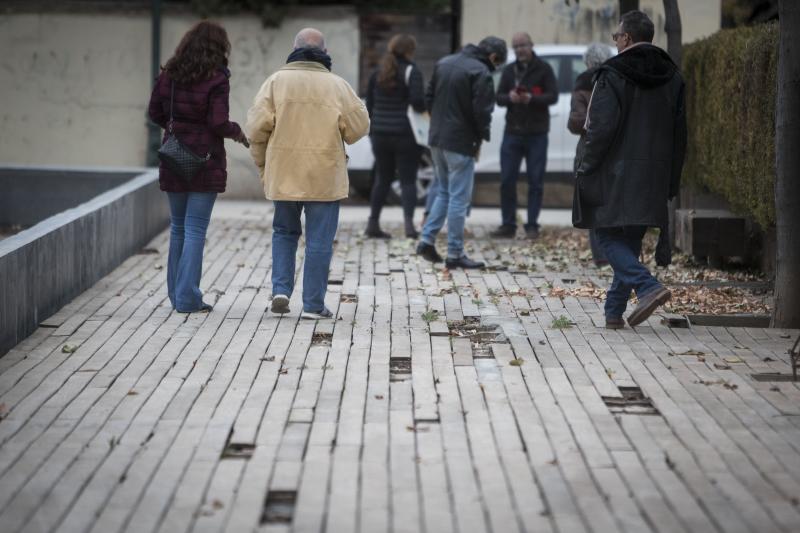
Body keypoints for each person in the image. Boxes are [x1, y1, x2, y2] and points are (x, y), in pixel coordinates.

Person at [573, 10, 687, 329]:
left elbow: (600, 128)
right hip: (654, 173)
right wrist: (671, 180)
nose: (616, 41)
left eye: (616, 36)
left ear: (626, 38)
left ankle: (647, 286)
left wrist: (587, 165)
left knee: (605, 233)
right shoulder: (673, 76)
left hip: (615, 172)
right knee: (630, 239)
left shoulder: (613, 74)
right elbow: (681, 136)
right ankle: (613, 313)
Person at [246, 28, 369, 319]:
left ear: (294, 48)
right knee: (319, 242)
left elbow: (255, 130)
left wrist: (264, 168)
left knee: (284, 233)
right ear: (325, 53)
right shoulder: (337, 85)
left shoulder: (275, 82)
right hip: (325, 176)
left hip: (285, 174)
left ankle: (280, 290)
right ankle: (313, 305)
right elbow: (359, 127)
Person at [148, 21, 248, 313]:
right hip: (205, 160)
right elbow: (218, 122)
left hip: (174, 155)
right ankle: (188, 298)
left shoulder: (170, 76)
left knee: (178, 228)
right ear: (219, 47)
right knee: (194, 230)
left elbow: (155, 112)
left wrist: (175, 127)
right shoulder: (217, 78)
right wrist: (237, 132)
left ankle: (176, 295)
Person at [416, 36, 507, 269]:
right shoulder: (481, 73)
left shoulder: (444, 62)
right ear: (494, 57)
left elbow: (428, 97)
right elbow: (482, 112)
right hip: (461, 142)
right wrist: (479, 140)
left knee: (444, 192)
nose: (495, 69)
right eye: (498, 64)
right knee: (459, 198)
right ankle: (455, 254)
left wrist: (437, 123)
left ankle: (426, 240)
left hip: (436, 138)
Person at [490, 32, 558, 240]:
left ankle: (531, 226)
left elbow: (553, 96)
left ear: (531, 45)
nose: (520, 50)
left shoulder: (544, 68)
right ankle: (508, 225)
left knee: (535, 182)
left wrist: (531, 98)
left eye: (523, 45)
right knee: (507, 180)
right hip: (513, 133)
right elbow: (498, 98)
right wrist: (509, 98)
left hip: (537, 133)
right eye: (516, 46)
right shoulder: (509, 70)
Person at [364, 34, 426, 239]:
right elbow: (418, 103)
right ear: (410, 51)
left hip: (380, 135)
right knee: (408, 180)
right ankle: (409, 226)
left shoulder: (377, 73)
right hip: (405, 135)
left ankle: (372, 224)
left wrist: (374, 129)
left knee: (382, 179)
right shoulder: (412, 71)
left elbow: (369, 105)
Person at [567, 42, 613, 266]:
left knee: (592, 202)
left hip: (588, 148)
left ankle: (601, 255)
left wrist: (589, 126)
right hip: (613, 148)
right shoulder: (616, 78)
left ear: (587, 62)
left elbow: (576, 121)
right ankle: (613, 253)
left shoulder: (583, 82)